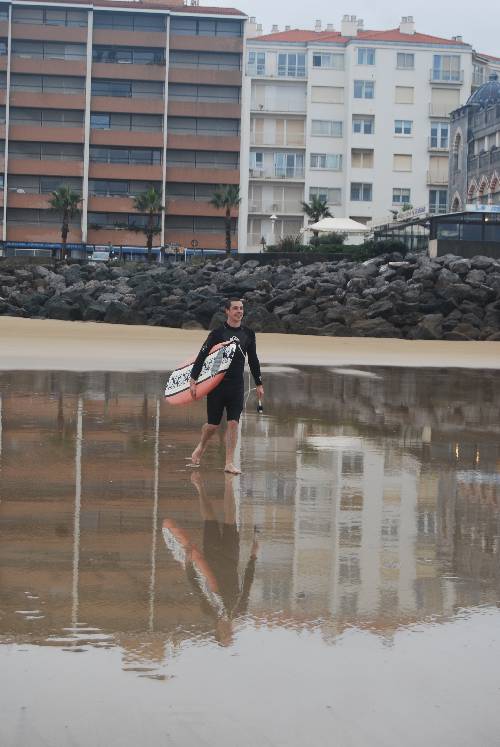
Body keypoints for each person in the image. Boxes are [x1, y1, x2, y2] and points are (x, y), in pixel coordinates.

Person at [189, 298, 264, 474]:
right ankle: (201, 445)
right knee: (212, 426)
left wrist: (259, 383)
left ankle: (229, 463)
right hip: (217, 386)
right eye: (235, 308)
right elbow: (202, 355)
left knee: (233, 423)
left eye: (241, 308)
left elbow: (253, 360)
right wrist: (193, 379)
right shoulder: (217, 333)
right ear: (227, 311)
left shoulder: (248, 334)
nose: (239, 311)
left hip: (236, 386)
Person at [185, 472, 258, 645]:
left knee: (209, 517)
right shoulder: (239, 611)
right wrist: (253, 556)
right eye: (230, 635)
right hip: (231, 556)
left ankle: (200, 487)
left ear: (216, 630)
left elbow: (196, 586)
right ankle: (228, 484)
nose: (228, 631)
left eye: (225, 634)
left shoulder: (208, 610)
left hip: (212, 555)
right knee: (230, 517)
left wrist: (188, 563)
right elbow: (247, 584)